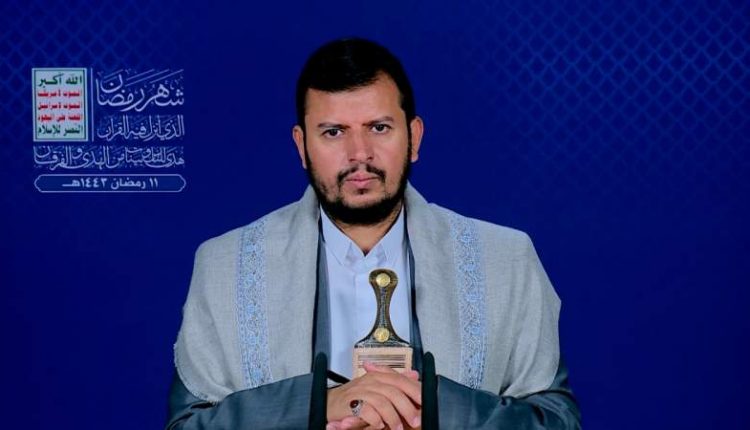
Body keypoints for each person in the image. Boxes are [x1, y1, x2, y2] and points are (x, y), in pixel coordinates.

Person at [166, 38, 580, 429]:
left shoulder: (504, 260)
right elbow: (188, 425)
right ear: (301, 146)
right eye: (333, 132)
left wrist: (432, 405)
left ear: (414, 137)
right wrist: (319, 404)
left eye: (379, 128)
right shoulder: (226, 266)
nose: (359, 154)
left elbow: (556, 421)